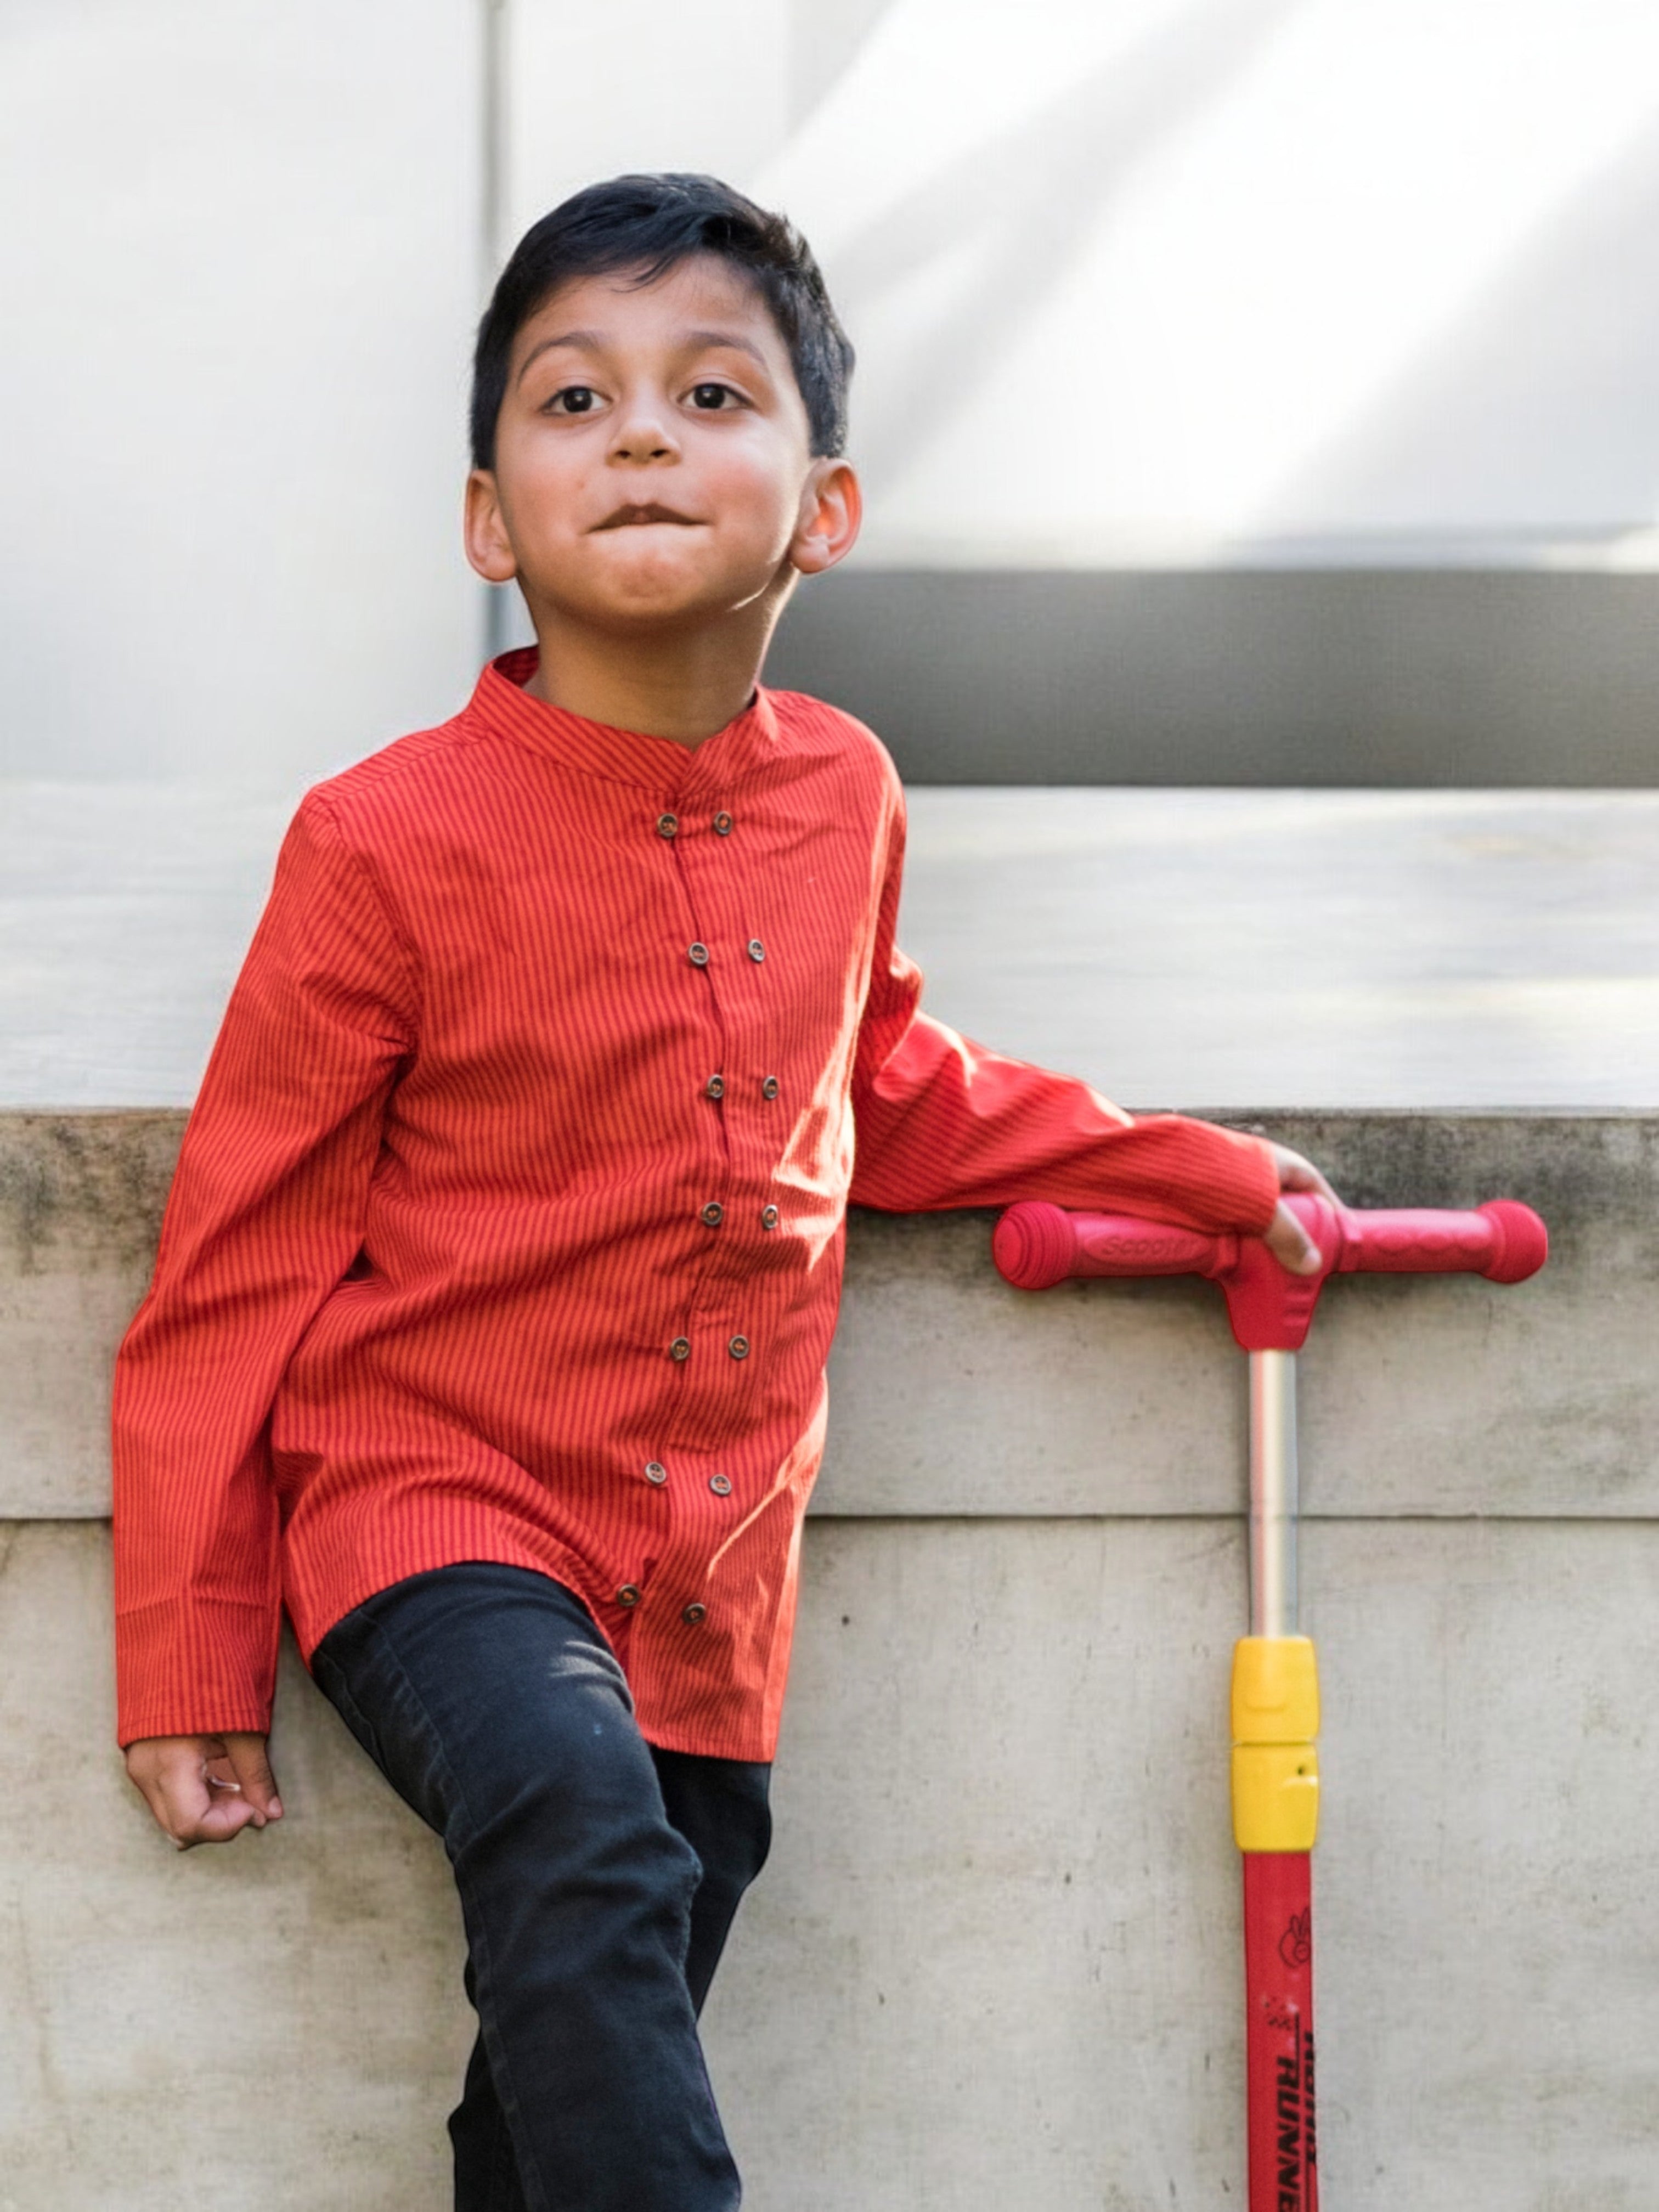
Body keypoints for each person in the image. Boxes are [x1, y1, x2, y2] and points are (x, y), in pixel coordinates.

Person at [113, 173, 1335, 2210]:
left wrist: (1197, 1173)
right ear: (493, 524)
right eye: (573, 404)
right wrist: (186, 1646)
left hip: (710, 1583)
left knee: (566, 2074)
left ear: (824, 507)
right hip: (437, 1514)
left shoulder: (845, 792)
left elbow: (892, 1097)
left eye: (708, 394)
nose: (646, 438)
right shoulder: (380, 844)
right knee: (586, 1835)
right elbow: (233, 1262)